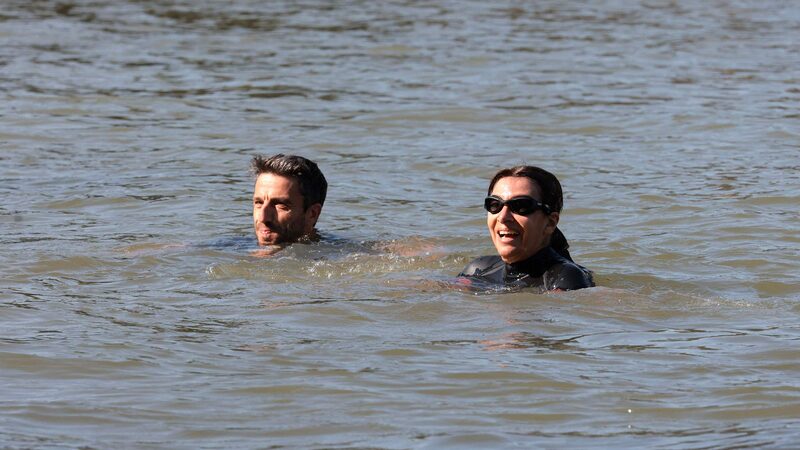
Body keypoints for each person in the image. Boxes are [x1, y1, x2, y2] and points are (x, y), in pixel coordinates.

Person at [458, 165, 594, 292]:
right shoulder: (478, 269)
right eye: (495, 204)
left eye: (521, 206)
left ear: (550, 223)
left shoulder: (565, 278)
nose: (503, 217)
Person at [251, 154, 327, 247]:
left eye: (280, 205)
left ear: (312, 214)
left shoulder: (337, 256)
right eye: (259, 203)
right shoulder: (234, 246)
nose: (263, 218)